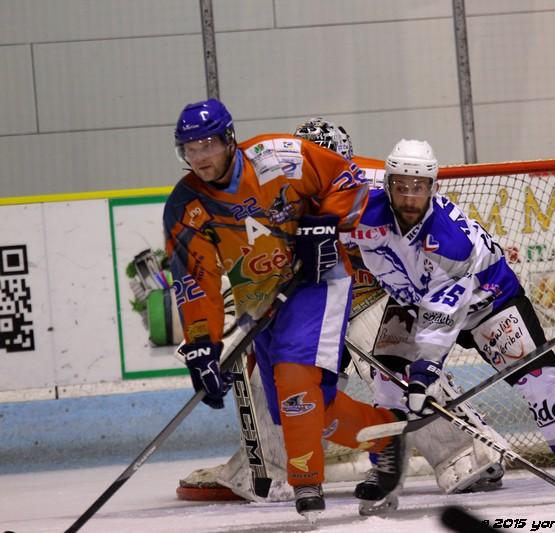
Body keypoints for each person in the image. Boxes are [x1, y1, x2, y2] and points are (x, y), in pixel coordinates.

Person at [163, 99, 406, 521]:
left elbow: (347, 179)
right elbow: (196, 281)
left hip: (317, 280)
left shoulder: (278, 156)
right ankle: (386, 435)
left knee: (295, 376)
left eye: (208, 145)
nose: (200, 157)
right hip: (261, 301)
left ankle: (306, 484)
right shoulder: (186, 206)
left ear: (229, 140)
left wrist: (324, 224)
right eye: (191, 149)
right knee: (305, 409)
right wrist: (203, 345)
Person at [342, 138, 555, 510]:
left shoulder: (449, 242)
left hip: (488, 299)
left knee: (539, 381)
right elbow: (319, 223)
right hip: (414, 301)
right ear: (388, 185)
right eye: (401, 186)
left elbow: (443, 312)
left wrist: (424, 372)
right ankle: (384, 472)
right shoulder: (365, 212)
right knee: (386, 383)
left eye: (418, 187)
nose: (409, 197)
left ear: (433, 187)